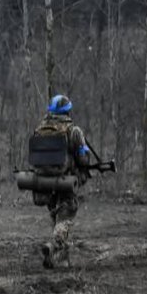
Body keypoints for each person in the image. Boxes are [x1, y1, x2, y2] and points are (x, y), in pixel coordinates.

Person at [31, 95, 90, 269]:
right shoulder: (74, 131)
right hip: (65, 180)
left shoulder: (39, 129)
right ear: (68, 110)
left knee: (56, 217)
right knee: (67, 214)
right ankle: (53, 245)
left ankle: (61, 260)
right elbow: (84, 159)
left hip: (43, 182)